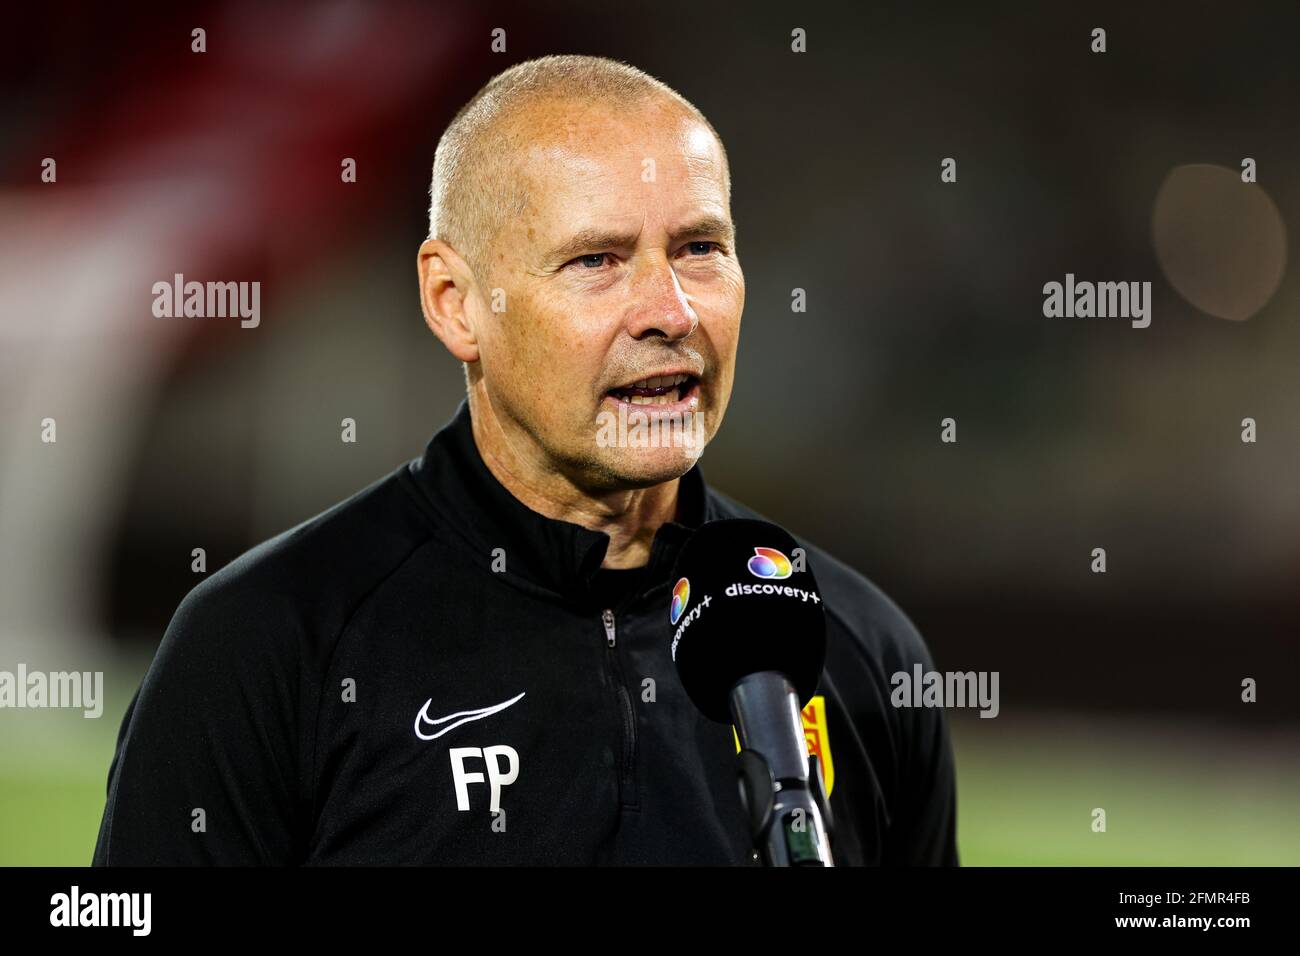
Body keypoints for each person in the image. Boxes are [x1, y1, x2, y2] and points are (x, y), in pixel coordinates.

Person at [93, 54, 957, 865]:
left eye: (700, 248)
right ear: (456, 303)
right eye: (597, 260)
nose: (671, 311)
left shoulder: (853, 645)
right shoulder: (269, 645)